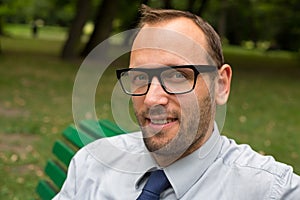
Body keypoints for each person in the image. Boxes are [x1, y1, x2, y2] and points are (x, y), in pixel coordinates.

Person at [53, 5, 300, 199]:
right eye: (140, 77)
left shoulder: (272, 190)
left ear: (221, 85)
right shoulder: (91, 163)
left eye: (177, 76)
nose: (152, 99)